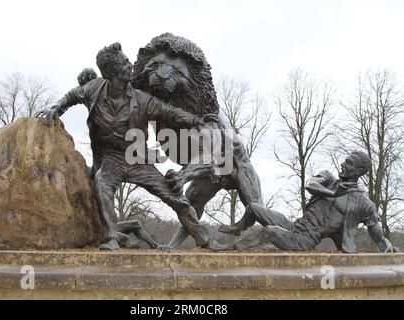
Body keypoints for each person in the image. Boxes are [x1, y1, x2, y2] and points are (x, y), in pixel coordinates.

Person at [38, 43, 222, 250]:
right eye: (125, 63)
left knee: (175, 198)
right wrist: (56, 108)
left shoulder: (141, 99)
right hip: (110, 159)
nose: (130, 66)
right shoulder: (94, 89)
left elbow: (170, 112)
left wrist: (197, 120)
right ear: (113, 72)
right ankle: (111, 238)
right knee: (102, 185)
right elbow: (72, 96)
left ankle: (206, 239)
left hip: (136, 159)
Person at [218, 151, 400, 253]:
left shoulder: (364, 204)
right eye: (345, 159)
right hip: (294, 226)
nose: (343, 164)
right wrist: (333, 192)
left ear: (359, 171)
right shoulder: (329, 178)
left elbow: (376, 231)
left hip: (304, 240)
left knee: (269, 232)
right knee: (253, 208)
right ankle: (237, 228)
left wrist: (387, 247)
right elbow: (310, 184)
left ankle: (228, 248)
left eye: (349, 163)